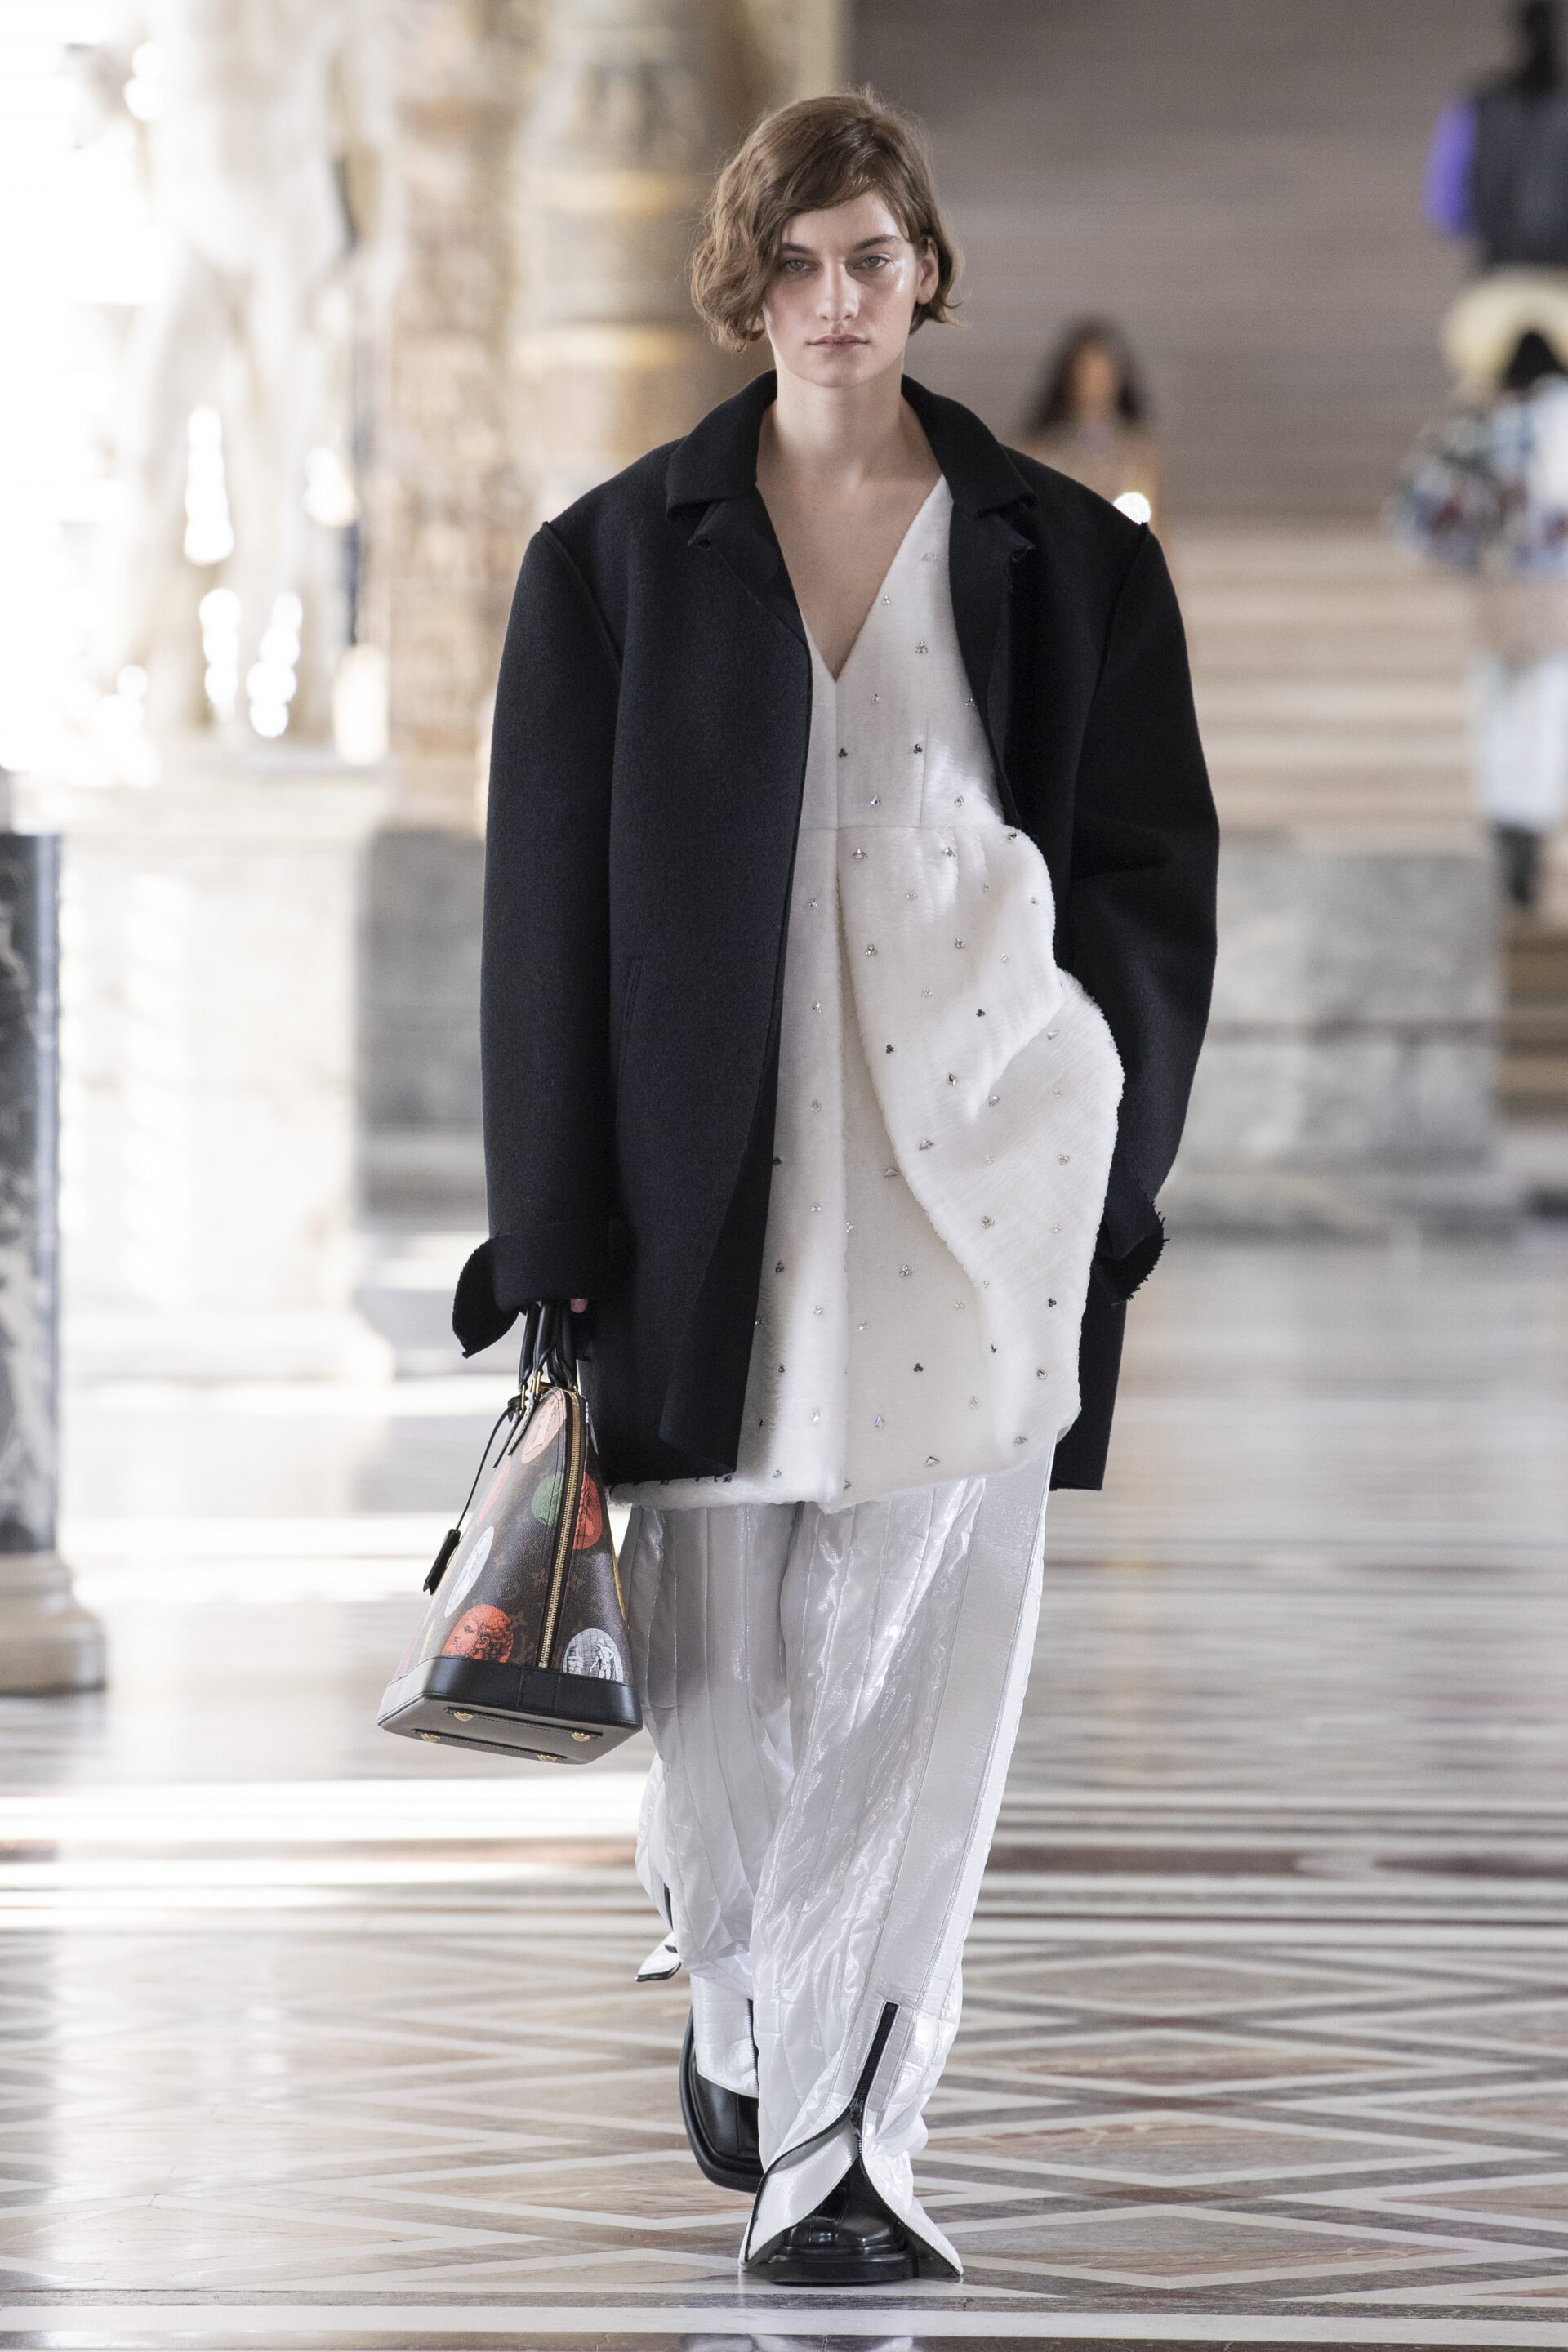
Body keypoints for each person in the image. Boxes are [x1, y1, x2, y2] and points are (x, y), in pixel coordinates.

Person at [454, 91, 1217, 2285]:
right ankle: (735, 1974)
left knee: (926, 1661)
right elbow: (544, 927)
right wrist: (551, 1229)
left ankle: (845, 2147)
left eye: (870, 258)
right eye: (794, 264)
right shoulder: (610, 562)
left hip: (984, 1200)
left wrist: (1110, 1148)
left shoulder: (1071, 563)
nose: (833, 301)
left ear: (926, 272)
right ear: (746, 285)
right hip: (700, 1204)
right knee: (714, 1684)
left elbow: (1151, 882)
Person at [1393, 315, 1568, 910]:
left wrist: (1471, 550)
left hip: (1499, 589)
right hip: (1556, 594)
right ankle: (1529, 833)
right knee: (1544, 713)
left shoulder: (1479, 419)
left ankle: (1505, 827)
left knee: (1498, 711)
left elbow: (1425, 506)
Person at [1426, 0, 1568, 267]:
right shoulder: (1481, 103)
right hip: (1521, 267)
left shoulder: (1481, 103)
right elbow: (1447, 203)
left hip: (1503, 266)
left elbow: (1448, 208)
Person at [1018, 317, 1162, 530]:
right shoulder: (1041, 449)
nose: (1096, 386)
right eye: (1087, 375)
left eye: (1104, 376)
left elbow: (1156, 522)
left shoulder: (1140, 450)